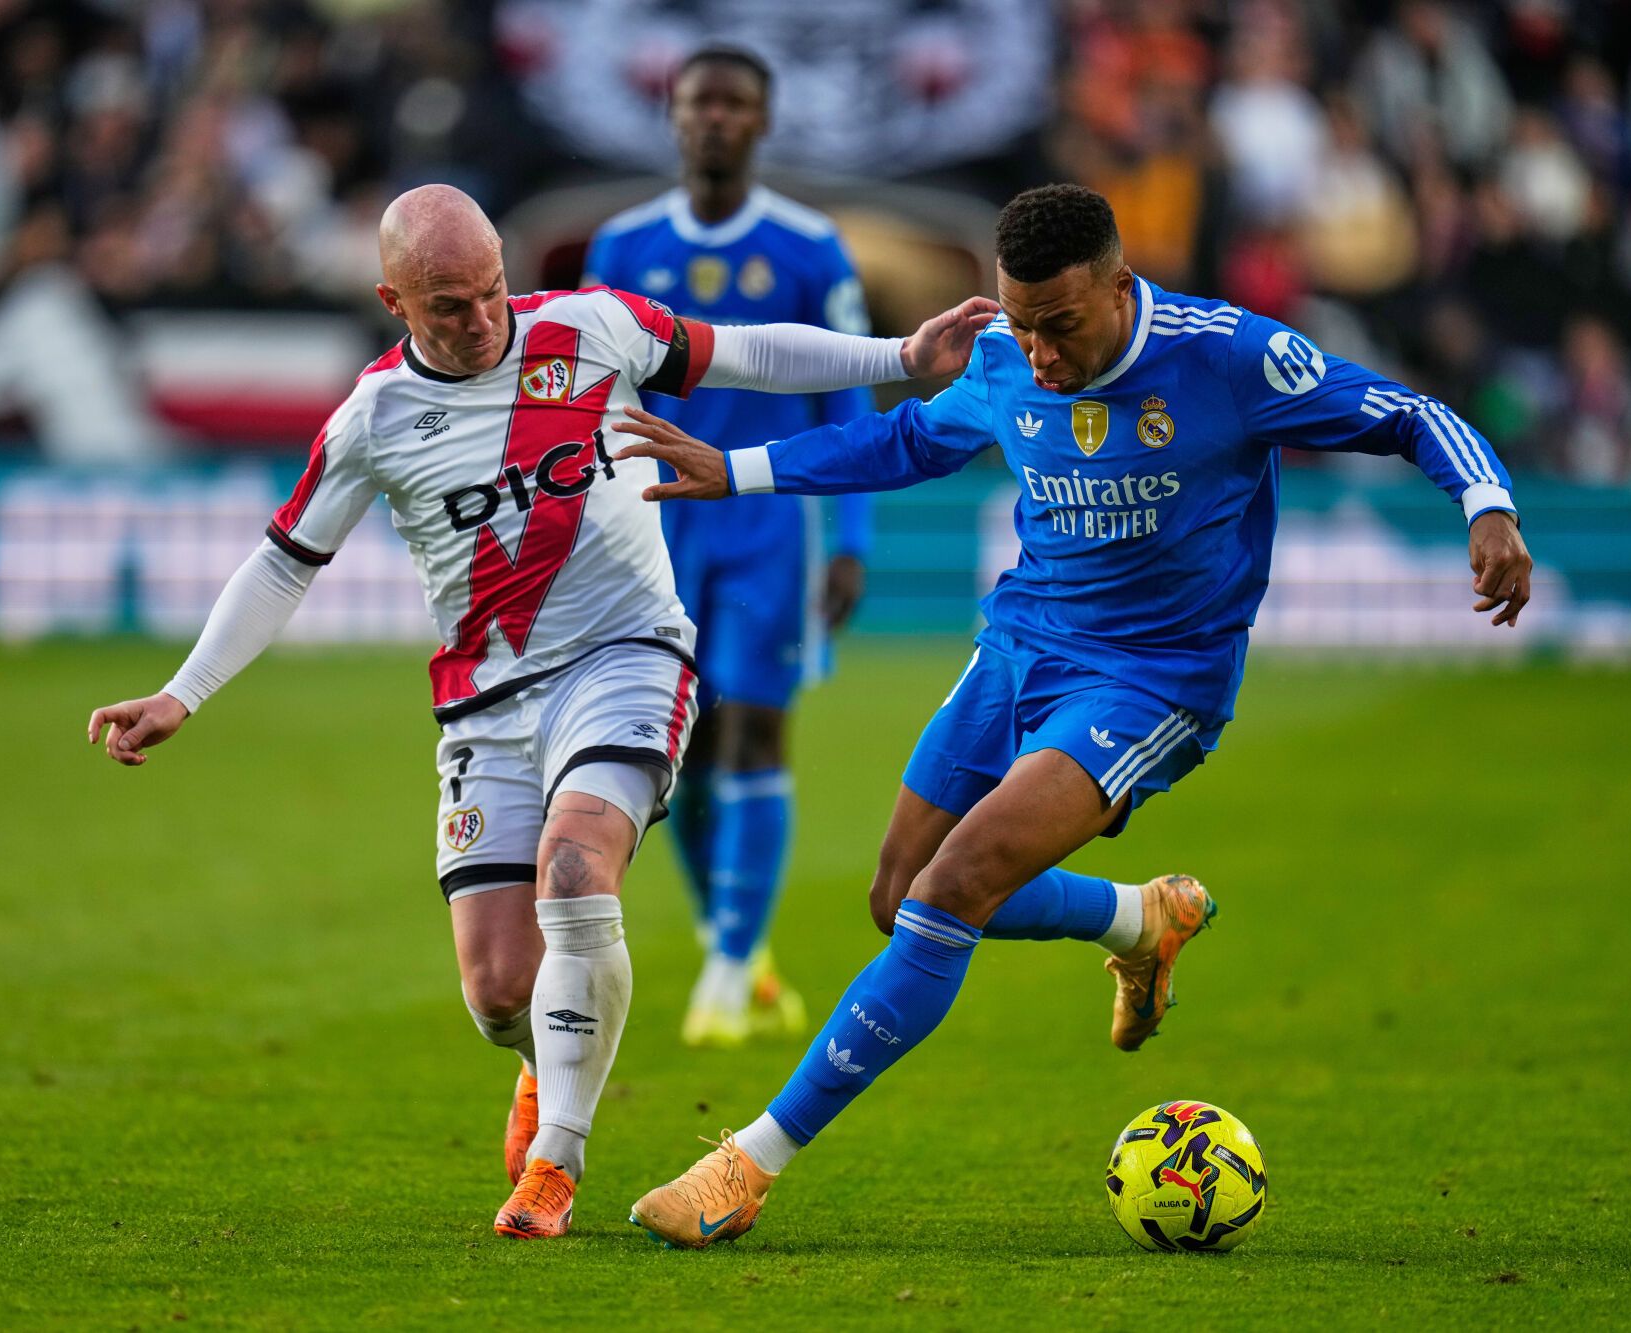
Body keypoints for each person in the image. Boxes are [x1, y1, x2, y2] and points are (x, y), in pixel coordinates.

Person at [617, 184, 1532, 1247]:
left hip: (1151, 678)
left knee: (952, 887)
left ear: (1117, 287)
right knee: (895, 892)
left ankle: (746, 1163)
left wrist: (1487, 506)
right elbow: (911, 441)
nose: (1038, 354)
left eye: (1059, 324)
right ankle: (1137, 918)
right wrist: (736, 469)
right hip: (1018, 646)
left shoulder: (1230, 358)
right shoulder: (1007, 356)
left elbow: (1411, 415)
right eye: (1020, 324)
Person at [84, 184, 997, 1240]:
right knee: (498, 992)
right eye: (447, 308)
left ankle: (555, 1168)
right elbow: (285, 562)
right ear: (393, 301)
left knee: (575, 868)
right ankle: (538, 1065)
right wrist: (181, 691)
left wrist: (898, 356)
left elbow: (744, 352)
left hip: (629, 656)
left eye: (489, 292)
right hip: (484, 708)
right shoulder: (372, 418)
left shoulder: (588, 327)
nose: (481, 321)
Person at [582, 45, 875, 1049]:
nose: (713, 118)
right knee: (685, 749)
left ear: (761, 120)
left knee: (754, 725)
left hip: (768, 517)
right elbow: (591, 390)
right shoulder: (620, 246)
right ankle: (732, 945)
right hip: (656, 521)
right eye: (697, 101)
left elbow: (845, 389)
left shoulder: (806, 246)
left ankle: (728, 966)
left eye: (733, 103)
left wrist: (852, 532)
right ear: (670, 115)